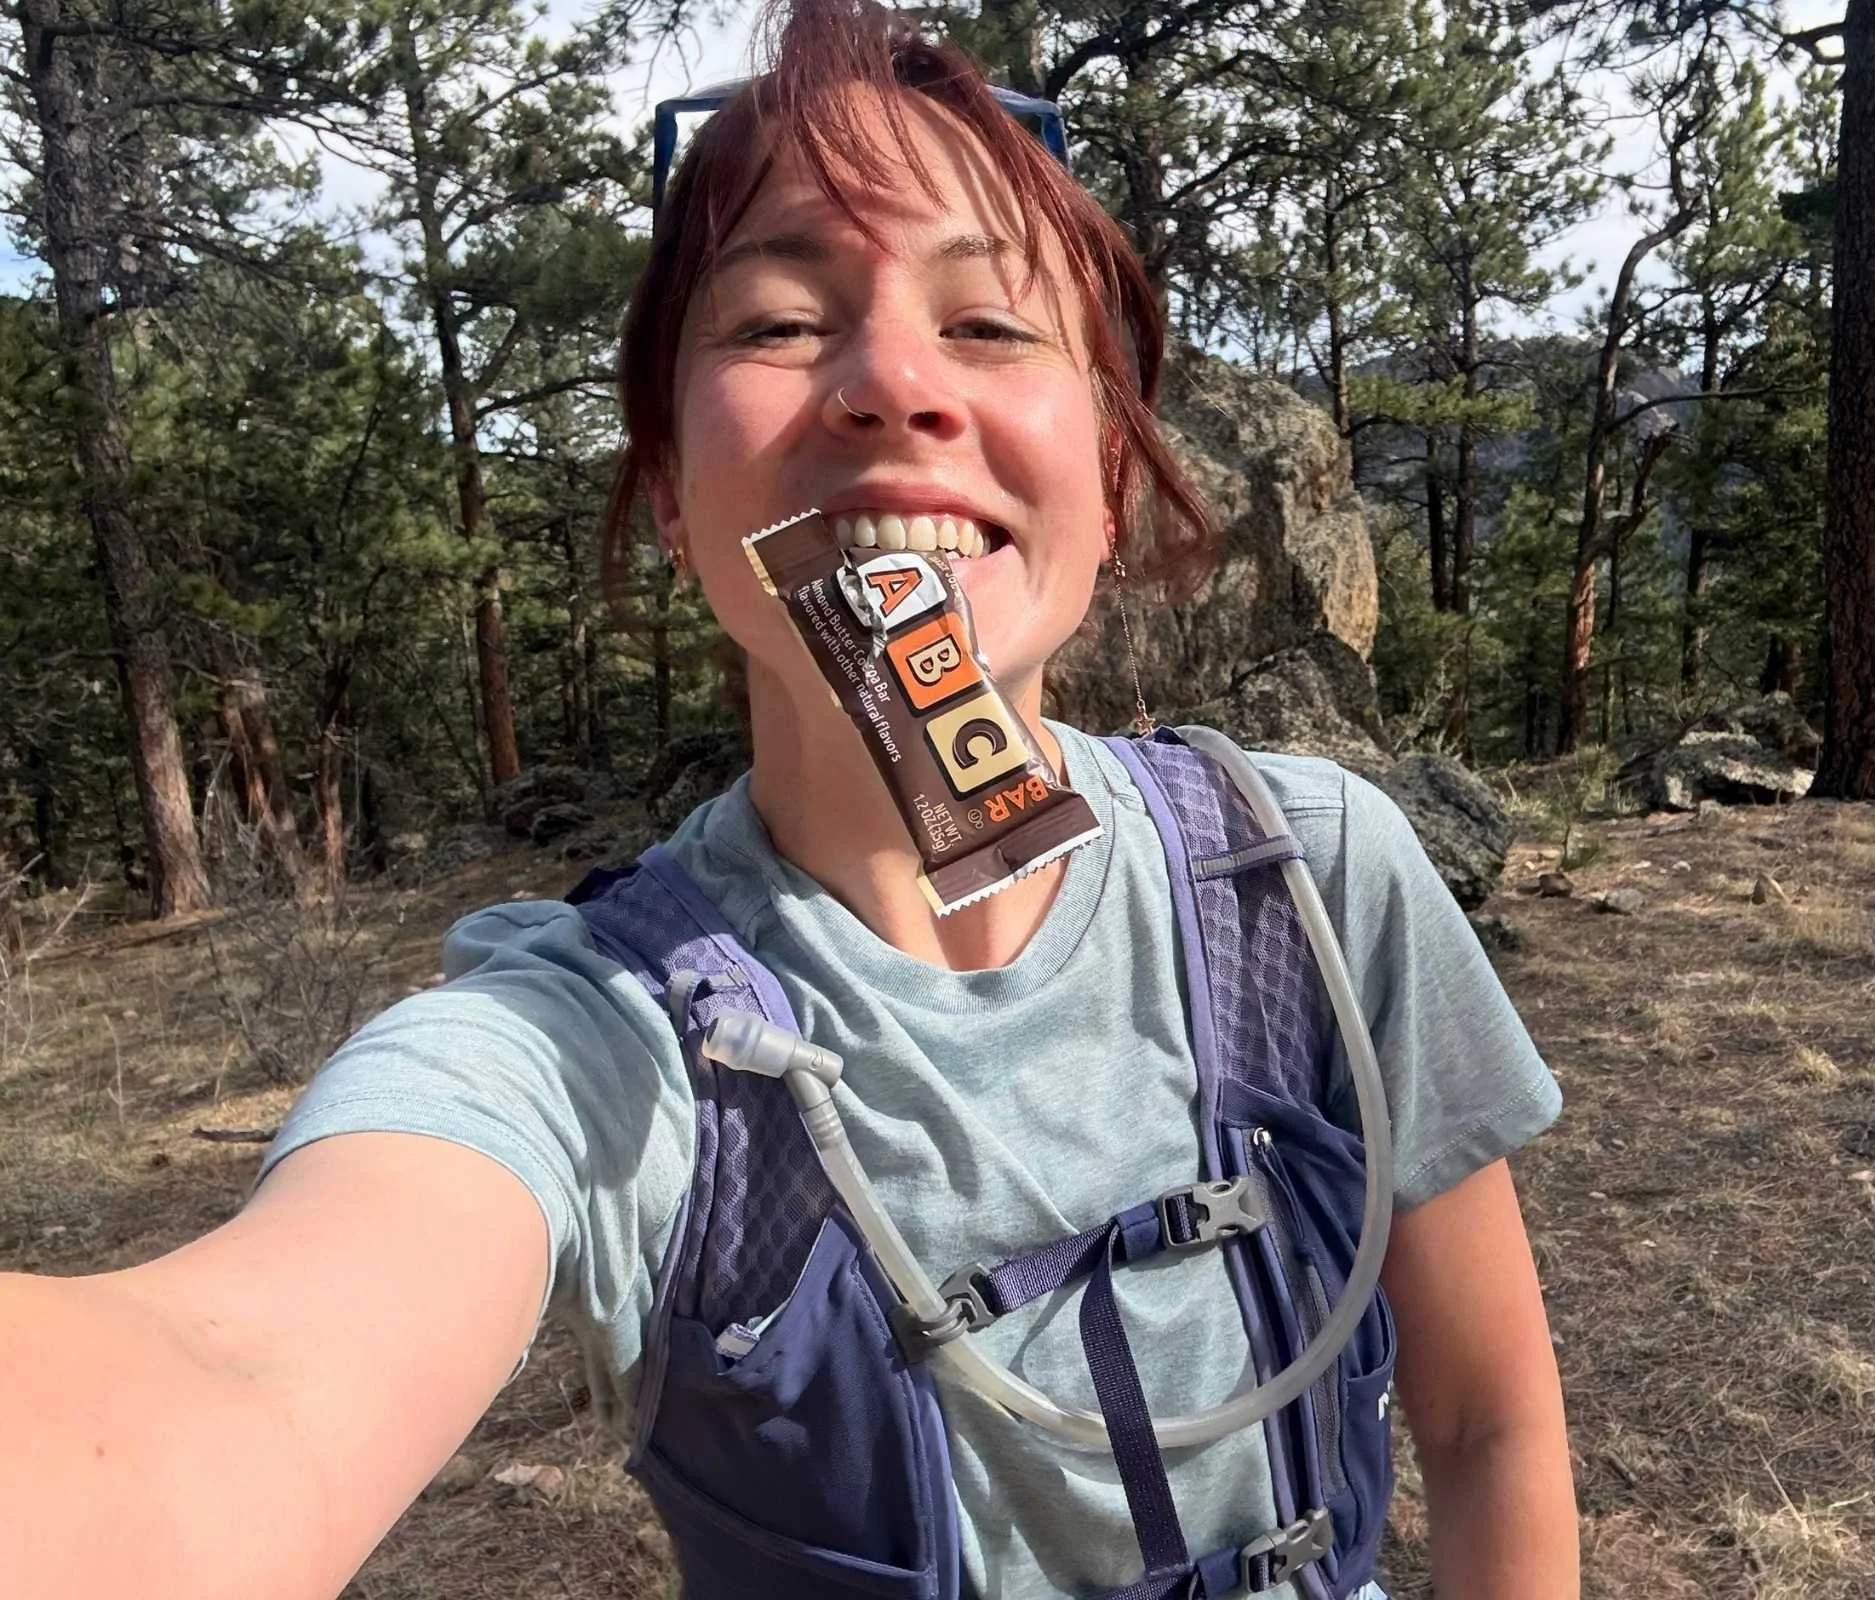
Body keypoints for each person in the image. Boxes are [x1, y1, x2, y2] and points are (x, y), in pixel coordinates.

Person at [0, 2, 1576, 1595]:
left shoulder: (1306, 877)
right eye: (774, 322)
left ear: (1108, 474)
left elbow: (1493, 1415)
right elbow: (232, 1376)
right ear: (674, 491)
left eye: (990, 326)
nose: (894, 385)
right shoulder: (594, 1042)